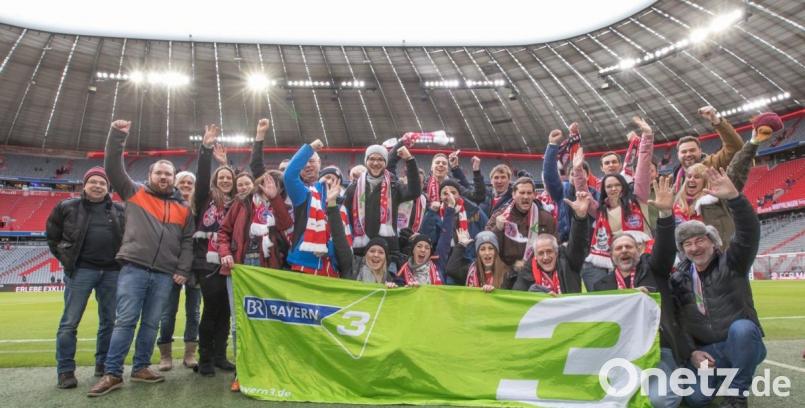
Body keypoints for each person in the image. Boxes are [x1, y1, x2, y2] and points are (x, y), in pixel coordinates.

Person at [89, 120, 193, 397]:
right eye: (159, 173)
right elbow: (113, 167)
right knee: (125, 320)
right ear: (150, 175)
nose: (164, 177)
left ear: (174, 178)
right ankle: (113, 373)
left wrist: (183, 269)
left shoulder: (184, 208)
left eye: (168, 174)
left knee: (151, 323)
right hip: (134, 268)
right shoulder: (134, 192)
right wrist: (117, 135)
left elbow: (187, 242)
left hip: (164, 273)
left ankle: (141, 367)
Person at [589, 176, 686, 408]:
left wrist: (665, 214)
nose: (624, 251)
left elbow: (665, 249)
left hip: (657, 347)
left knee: (661, 400)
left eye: (629, 247)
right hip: (620, 353)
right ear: (611, 255)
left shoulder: (655, 270)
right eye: (619, 248)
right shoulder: (602, 286)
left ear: (639, 250)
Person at [670, 168, 764, 408]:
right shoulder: (679, 279)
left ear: (713, 242)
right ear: (683, 250)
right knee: (696, 399)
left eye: (700, 240)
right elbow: (679, 322)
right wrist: (692, 352)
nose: (694, 248)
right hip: (708, 351)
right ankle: (724, 375)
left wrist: (735, 199)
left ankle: (736, 395)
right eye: (688, 244)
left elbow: (749, 234)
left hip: (738, 342)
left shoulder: (732, 262)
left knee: (743, 330)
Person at [46, 167, 125, 389]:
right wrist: (66, 259)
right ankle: (65, 371)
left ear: (108, 187)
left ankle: (103, 365)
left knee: (109, 321)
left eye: (102, 183)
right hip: (81, 271)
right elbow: (52, 236)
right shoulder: (67, 207)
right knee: (70, 322)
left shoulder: (119, 210)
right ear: (85, 185)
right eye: (93, 182)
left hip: (112, 272)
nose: (98, 186)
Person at [192, 125, 238, 378]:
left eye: (229, 178)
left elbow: (245, 181)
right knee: (211, 309)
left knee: (226, 311)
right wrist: (206, 149)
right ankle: (205, 358)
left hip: (230, 262)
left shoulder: (238, 202)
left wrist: (226, 164)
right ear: (215, 181)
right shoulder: (205, 197)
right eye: (221, 177)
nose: (225, 180)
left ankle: (220, 355)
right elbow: (201, 177)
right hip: (207, 263)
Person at [344, 144, 420, 273]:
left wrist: (409, 160)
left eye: (380, 159)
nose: (375, 163)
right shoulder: (353, 188)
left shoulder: (394, 186)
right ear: (366, 161)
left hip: (388, 252)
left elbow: (414, 192)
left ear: (385, 162)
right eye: (372, 159)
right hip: (360, 252)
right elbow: (346, 220)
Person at [156, 170, 203, 372]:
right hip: (171, 265)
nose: (186, 185)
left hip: (195, 268)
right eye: (182, 182)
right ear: (175, 184)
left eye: (190, 183)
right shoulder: (168, 204)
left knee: (194, 312)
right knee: (168, 312)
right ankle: (165, 354)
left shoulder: (200, 208)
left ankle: (190, 353)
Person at [284, 139, 348, 276]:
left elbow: (345, 238)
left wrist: (329, 249)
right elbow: (289, 176)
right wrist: (310, 149)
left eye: (312, 161)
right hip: (304, 265)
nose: (308, 165)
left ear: (319, 164)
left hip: (332, 268)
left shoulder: (343, 205)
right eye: (305, 162)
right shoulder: (305, 195)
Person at [511, 191, 592, 294]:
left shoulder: (568, 262)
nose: (545, 257)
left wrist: (580, 217)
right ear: (535, 256)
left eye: (549, 251)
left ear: (556, 252)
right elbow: (518, 297)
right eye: (541, 253)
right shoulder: (527, 272)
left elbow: (578, 243)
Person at [421, 180, 488, 282]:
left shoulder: (474, 211)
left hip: (468, 258)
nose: (449, 196)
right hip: (443, 260)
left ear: (459, 195)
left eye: (453, 192)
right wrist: (431, 213)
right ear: (440, 197)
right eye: (445, 193)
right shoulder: (434, 213)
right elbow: (427, 237)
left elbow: (486, 231)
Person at [486, 177, 556, 268]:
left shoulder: (546, 218)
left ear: (534, 195)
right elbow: (487, 246)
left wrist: (529, 265)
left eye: (529, 193)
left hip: (537, 269)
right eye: (522, 193)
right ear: (513, 195)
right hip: (507, 271)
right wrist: (498, 229)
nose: (526, 197)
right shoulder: (499, 216)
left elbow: (554, 247)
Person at [672, 106, 744, 192]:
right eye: (684, 152)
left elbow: (736, 147)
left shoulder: (712, 164)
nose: (688, 154)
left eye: (692, 150)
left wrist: (716, 121)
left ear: (700, 151)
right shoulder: (676, 174)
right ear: (678, 155)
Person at [446, 230, 513, 291]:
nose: (487, 253)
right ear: (478, 254)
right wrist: (461, 245)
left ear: (496, 252)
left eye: (490, 248)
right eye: (482, 249)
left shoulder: (507, 272)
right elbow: (451, 269)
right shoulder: (470, 270)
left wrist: (493, 291)